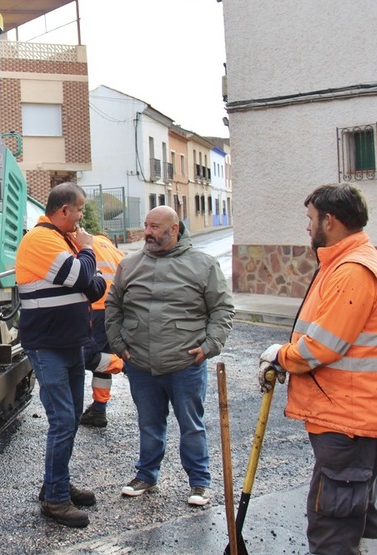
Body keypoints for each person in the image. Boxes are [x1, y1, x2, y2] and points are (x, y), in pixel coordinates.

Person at [258, 184, 377, 555]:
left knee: (333, 523)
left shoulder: (352, 270)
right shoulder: (349, 261)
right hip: (361, 414)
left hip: (349, 419)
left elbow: (321, 347)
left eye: (311, 219)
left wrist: (280, 355)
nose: (307, 227)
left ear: (331, 220)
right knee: (360, 509)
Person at [105, 205, 233, 507]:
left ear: (174, 229)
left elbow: (222, 309)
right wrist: (118, 343)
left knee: (191, 424)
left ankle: (200, 483)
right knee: (149, 423)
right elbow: (113, 306)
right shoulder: (130, 264)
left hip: (185, 364)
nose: (147, 232)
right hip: (140, 364)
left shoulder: (203, 265)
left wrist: (209, 345)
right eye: (146, 225)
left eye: (155, 227)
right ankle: (146, 475)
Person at [16, 182, 107, 528]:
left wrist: (85, 269)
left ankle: (56, 483)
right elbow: (83, 276)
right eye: (80, 210)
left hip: (70, 344)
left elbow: (94, 286)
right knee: (64, 420)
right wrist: (87, 253)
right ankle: (55, 501)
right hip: (48, 346)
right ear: (64, 210)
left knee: (66, 421)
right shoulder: (40, 239)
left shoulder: (63, 240)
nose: (83, 217)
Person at [79, 233, 125, 428]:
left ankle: (126, 365)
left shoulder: (84, 243)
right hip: (116, 308)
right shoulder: (112, 249)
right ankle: (99, 409)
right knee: (102, 358)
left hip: (96, 307)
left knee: (86, 357)